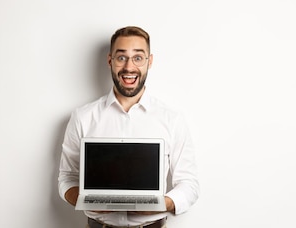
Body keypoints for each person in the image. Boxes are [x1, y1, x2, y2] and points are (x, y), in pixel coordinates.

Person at [58, 26, 200, 228]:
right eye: (121, 57)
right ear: (110, 61)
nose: (129, 67)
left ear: (149, 62)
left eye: (138, 58)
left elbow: (190, 184)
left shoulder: (172, 119)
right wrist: (85, 200)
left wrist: (160, 204)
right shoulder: (82, 117)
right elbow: (67, 178)